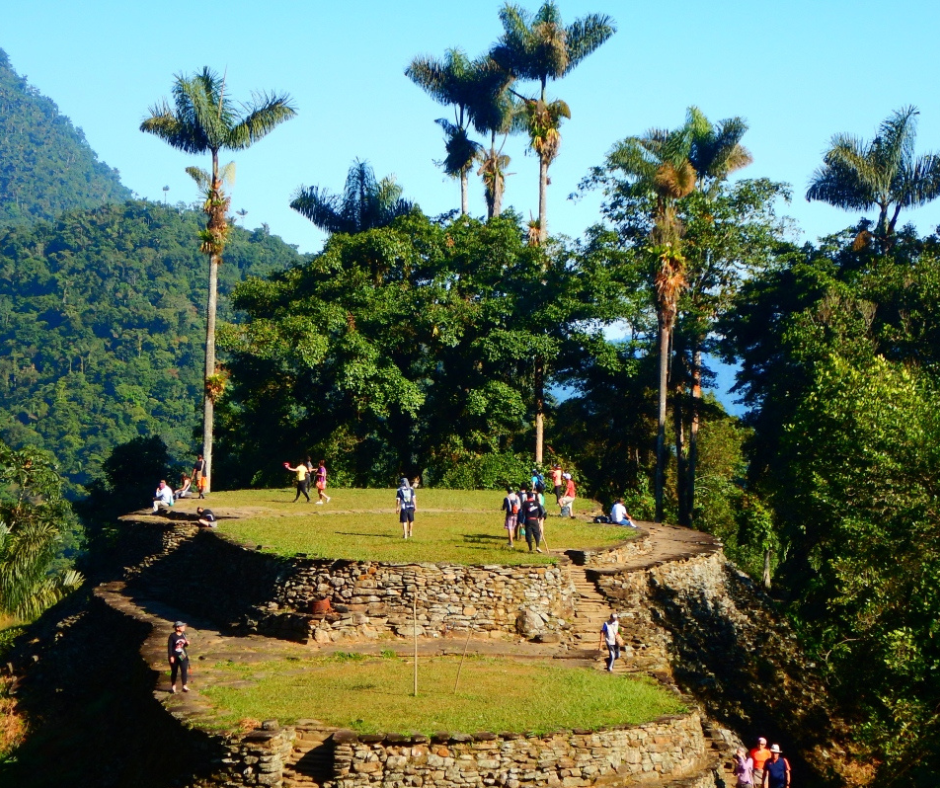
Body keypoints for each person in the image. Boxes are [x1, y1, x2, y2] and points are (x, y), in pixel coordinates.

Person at [167, 620, 190, 693]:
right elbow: (169, 647)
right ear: (177, 628)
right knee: (174, 671)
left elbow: (184, 646)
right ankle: (173, 686)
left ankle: (184, 686)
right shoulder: (172, 636)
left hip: (182, 655)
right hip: (174, 655)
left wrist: (187, 644)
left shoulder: (184, 635)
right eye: (182, 626)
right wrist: (171, 656)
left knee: (184, 670)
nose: (184, 627)